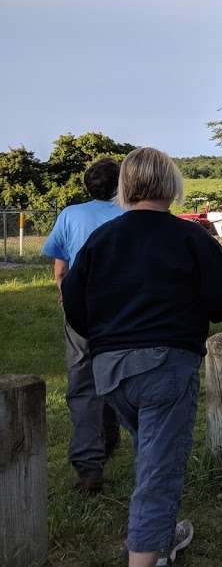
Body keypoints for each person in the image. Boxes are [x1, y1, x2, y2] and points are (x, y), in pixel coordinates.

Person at [62, 147, 222, 567]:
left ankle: (161, 534)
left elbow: (74, 303)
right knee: (161, 466)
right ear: (173, 186)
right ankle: (145, 557)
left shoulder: (100, 240)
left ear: (126, 187)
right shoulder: (191, 237)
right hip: (166, 367)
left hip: (110, 371)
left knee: (151, 449)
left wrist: (109, 338)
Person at [41, 157, 124, 493]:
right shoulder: (132, 214)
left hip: (81, 308)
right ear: (122, 185)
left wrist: (65, 295)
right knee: (120, 374)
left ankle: (89, 468)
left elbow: (60, 269)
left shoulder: (70, 215)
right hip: (123, 308)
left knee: (82, 380)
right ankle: (112, 434)